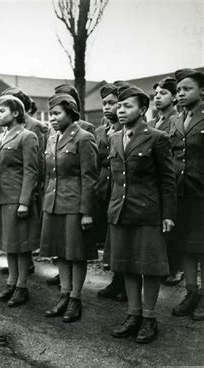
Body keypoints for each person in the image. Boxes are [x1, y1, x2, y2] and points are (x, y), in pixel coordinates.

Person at [106, 86, 176, 344]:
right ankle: (133, 314)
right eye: (119, 106)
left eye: (128, 106)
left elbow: (167, 179)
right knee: (127, 265)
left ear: (143, 109)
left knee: (149, 268)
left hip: (147, 212)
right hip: (120, 211)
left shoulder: (157, 138)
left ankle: (149, 318)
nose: (121, 110)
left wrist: (168, 214)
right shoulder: (114, 138)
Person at [41, 94, 98, 323]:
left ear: (71, 113)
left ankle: (76, 299)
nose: (52, 119)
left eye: (57, 114)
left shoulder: (84, 138)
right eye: (51, 114)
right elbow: (49, 175)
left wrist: (86, 212)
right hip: (54, 203)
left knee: (76, 253)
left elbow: (90, 177)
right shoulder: (52, 138)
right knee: (60, 252)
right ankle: (64, 294)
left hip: (74, 204)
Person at [0, 95, 39, 307]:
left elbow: (31, 171)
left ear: (16, 113)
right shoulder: (0, 137)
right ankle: (11, 284)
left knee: (20, 244)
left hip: (17, 197)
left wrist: (24, 201)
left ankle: (22, 286)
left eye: (2, 111)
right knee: (9, 244)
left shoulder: (27, 136)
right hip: (1, 197)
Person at [169, 69, 204, 321]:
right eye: (178, 90)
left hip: (202, 194)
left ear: (202, 91)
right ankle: (192, 293)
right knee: (186, 247)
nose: (181, 93)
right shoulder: (175, 120)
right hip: (180, 194)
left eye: (187, 88)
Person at [148, 77, 183, 287]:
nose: (158, 97)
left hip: (174, 177)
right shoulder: (152, 123)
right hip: (155, 179)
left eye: (163, 93)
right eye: (156, 94)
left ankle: (175, 267)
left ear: (174, 97)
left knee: (173, 223)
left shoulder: (176, 120)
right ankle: (162, 264)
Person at [95, 84, 127, 302]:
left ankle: (125, 283)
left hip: (120, 188)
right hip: (104, 189)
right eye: (104, 103)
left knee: (123, 237)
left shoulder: (125, 131)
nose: (107, 107)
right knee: (111, 237)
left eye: (112, 103)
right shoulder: (100, 131)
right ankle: (117, 280)